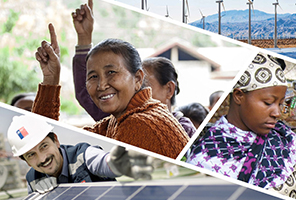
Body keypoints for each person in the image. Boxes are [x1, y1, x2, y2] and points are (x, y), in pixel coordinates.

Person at [34, 23, 188, 159]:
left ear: (138, 79)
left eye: (111, 73)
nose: (101, 85)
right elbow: (48, 144)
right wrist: (51, 78)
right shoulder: (119, 120)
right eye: (93, 76)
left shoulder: (138, 125)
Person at [186, 53, 296, 199]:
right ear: (239, 96)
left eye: (280, 103)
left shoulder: (285, 140)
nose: (277, 113)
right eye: (268, 102)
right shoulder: (204, 159)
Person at [71, 0, 196, 137]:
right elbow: (85, 93)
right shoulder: (120, 118)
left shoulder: (182, 129)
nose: (137, 91)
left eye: (144, 84)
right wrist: (84, 38)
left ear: (169, 89)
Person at [7, 115, 153, 194]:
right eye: (31, 155)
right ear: (26, 161)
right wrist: (43, 196)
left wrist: (115, 165)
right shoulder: (32, 179)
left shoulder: (83, 155)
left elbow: (101, 162)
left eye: (44, 146)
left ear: (56, 141)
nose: (42, 158)